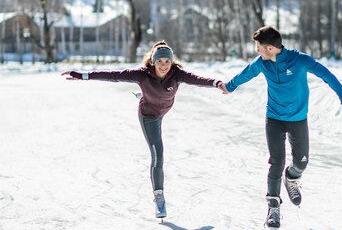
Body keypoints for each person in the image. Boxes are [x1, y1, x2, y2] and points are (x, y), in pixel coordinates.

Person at [218, 26, 342, 230]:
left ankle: (292, 178)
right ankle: (273, 208)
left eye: (258, 47)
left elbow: (327, 75)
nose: (256, 51)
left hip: (297, 119)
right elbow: (245, 74)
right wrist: (229, 86)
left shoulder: (299, 60)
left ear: (269, 48)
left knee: (301, 162)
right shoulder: (262, 63)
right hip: (274, 118)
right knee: (276, 162)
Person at [61, 40, 223, 219]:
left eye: (167, 61)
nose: (163, 65)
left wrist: (216, 83)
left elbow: (198, 80)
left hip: (164, 107)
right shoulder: (142, 75)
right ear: (153, 62)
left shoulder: (177, 74)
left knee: (155, 97)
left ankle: (144, 94)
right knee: (158, 154)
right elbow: (113, 75)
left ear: (172, 62)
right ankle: (159, 197)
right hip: (149, 116)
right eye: (159, 61)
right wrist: (82, 75)